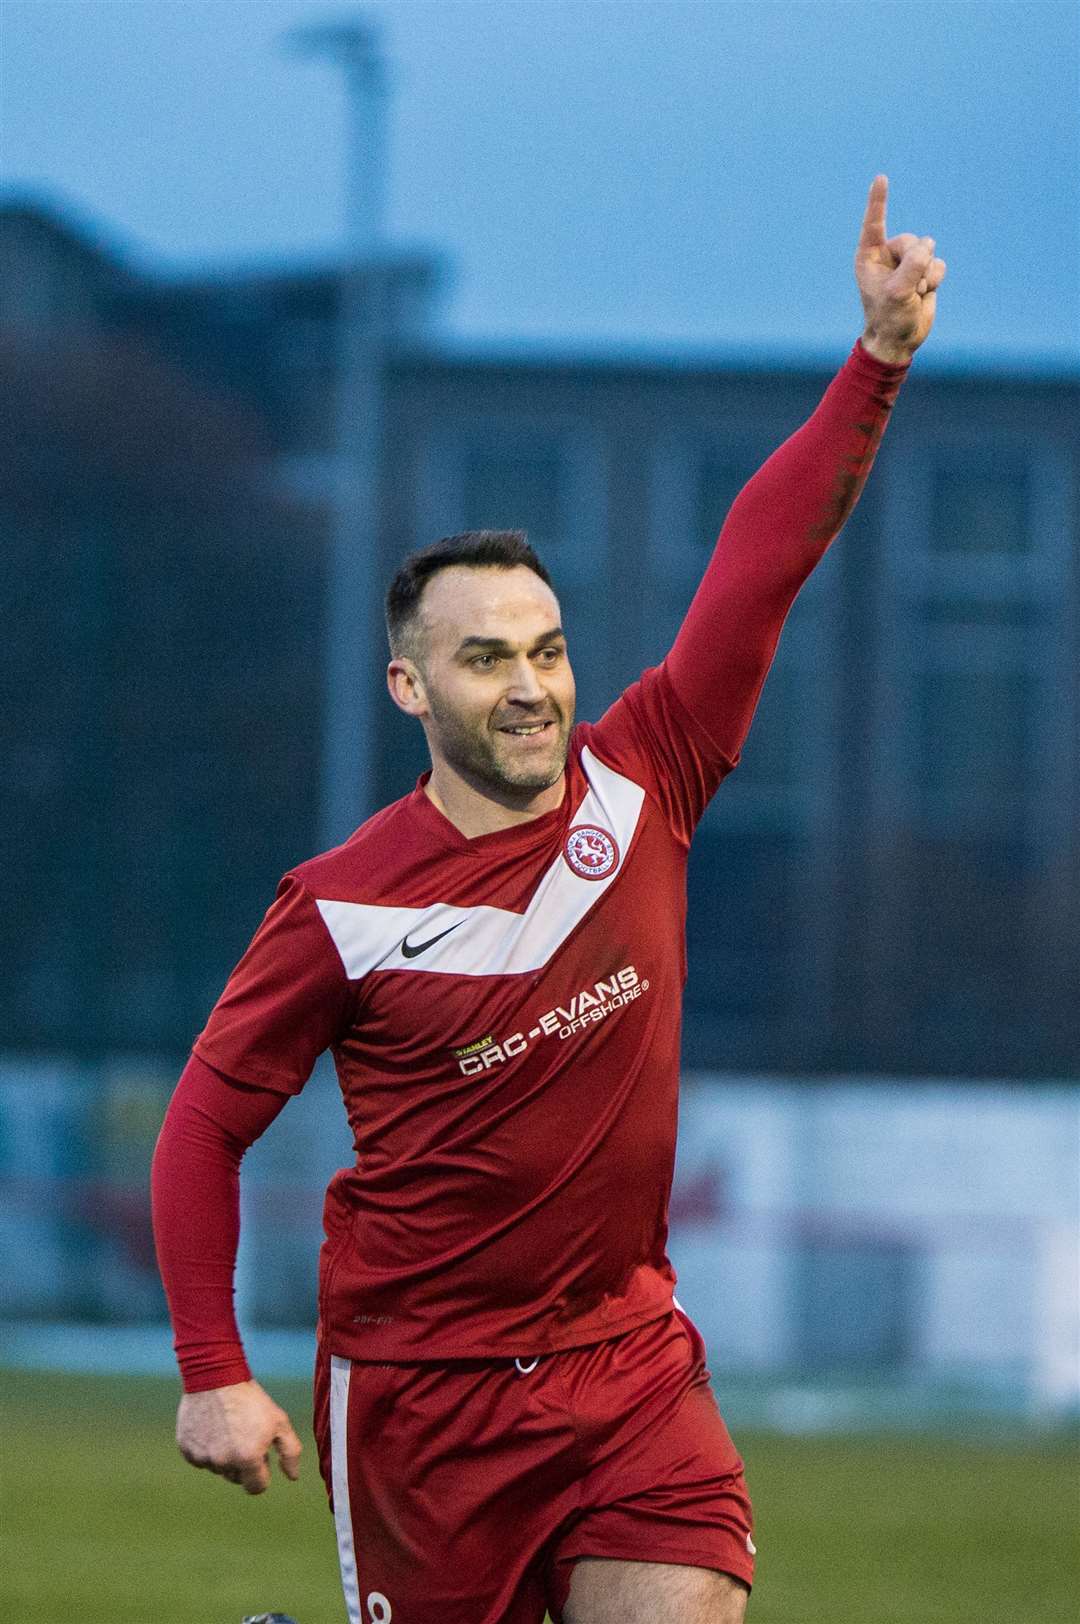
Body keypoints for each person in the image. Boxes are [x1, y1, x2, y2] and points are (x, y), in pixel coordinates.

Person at [152, 174, 944, 1624]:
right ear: (409, 687)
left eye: (549, 647)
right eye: (484, 659)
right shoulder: (336, 909)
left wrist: (878, 361)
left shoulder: (653, 773)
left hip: (629, 1367)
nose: (529, 684)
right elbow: (204, 1127)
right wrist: (213, 1369)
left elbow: (761, 565)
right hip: (422, 1406)